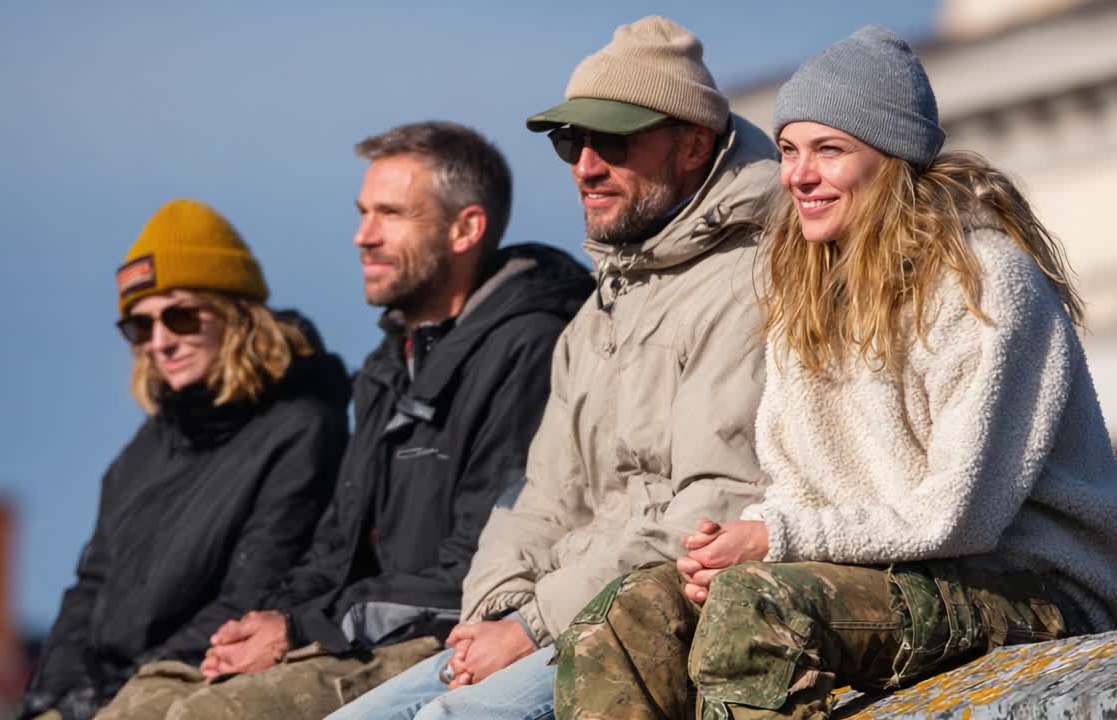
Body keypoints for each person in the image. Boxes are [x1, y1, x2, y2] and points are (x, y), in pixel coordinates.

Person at [554, 25, 1117, 720]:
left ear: (891, 159)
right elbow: (796, 480)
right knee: (625, 618)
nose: (799, 175)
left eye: (829, 151)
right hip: (886, 576)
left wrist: (777, 542)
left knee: (761, 613)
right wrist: (739, 546)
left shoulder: (987, 282)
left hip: (1036, 587)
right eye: (787, 151)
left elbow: (958, 516)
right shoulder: (805, 285)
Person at [330, 16, 781, 720]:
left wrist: (530, 624)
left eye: (614, 141)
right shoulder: (596, 313)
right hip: (559, 612)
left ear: (694, 146)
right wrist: (500, 607)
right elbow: (537, 499)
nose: (585, 165)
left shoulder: (752, 282)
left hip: (654, 616)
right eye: (572, 140)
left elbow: (712, 511)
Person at [95, 121, 593, 719]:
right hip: (354, 631)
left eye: (390, 214)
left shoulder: (532, 347)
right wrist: (273, 621)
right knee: (140, 705)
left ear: (466, 229)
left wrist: (299, 628)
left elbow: (476, 564)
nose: (363, 236)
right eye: (362, 213)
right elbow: (333, 549)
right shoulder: (388, 364)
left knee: (207, 717)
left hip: (442, 636)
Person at [18, 199, 351, 720]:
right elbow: (89, 585)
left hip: (181, 687)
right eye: (139, 326)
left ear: (236, 313)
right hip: (99, 695)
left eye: (179, 315)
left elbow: (253, 594)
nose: (159, 341)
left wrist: (120, 695)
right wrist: (61, 694)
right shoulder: (150, 444)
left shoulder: (303, 429)